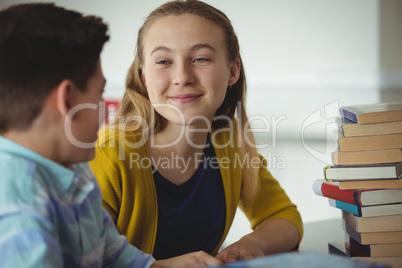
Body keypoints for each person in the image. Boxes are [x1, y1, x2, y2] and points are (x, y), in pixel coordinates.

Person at [0, 3, 221, 267]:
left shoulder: (77, 170)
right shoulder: (17, 202)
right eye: (99, 94)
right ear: (68, 101)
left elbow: (114, 255)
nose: (105, 108)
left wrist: (163, 265)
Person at [89, 0, 303, 263]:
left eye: (200, 58)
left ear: (233, 71)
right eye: (164, 61)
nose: (182, 77)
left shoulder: (228, 141)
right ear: (144, 77)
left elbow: (283, 216)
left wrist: (252, 244)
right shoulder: (108, 151)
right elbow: (80, 257)